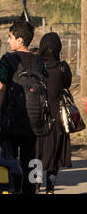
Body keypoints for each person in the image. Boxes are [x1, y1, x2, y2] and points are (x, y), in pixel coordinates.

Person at [0, 21, 47, 194]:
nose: (8, 41)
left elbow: (2, 90)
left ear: (21, 40)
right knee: (30, 162)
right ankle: (30, 191)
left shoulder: (7, 60)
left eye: (10, 37)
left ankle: (10, 190)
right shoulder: (39, 61)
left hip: (11, 121)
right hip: (33, 123)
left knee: (9, 162)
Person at [35, 32, 72, 194]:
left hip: (37, 116)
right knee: (55, 155)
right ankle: (50, 189)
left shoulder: (35, 65)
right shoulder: (62, 67)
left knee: (35, 154)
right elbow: (67, 84)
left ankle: (34, 186)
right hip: (57, 117)